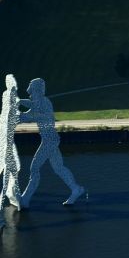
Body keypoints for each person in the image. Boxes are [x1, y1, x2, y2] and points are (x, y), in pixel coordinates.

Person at [20, 78, 84, 207]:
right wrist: (17, 109)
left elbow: (46, 116)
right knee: (59, 168)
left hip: (50, 140)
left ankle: (25, 199)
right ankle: (76, 189)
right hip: (50, 140)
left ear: (37, 90)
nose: (30, 93)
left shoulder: (44, 102)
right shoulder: (37, 103)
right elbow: (27, 113)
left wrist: (21, 109)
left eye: (32, 90)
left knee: (34, 168)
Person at [0, 75, 22, 212]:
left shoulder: (8, 95)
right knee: (17, 165)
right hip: (6, 134)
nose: (14, 83)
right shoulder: (10, 95)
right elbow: (12, 114)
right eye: (11, 81)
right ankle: (9, 191)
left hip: (5, 132)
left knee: (2, 162)